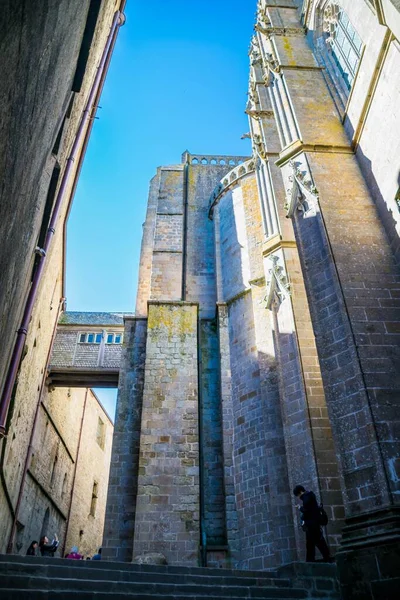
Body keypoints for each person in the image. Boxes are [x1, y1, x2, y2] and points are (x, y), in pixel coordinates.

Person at [293, 485, 331, 563]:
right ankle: (310, 561)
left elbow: (307, 511)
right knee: (311, 543)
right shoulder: (309, 495)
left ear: (300, 492)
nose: (298, 497)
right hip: (312, 524)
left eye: (298, 495)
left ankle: (326, 558)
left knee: (318, 542)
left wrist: (300, 508)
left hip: (312, 525)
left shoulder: (306, 497)